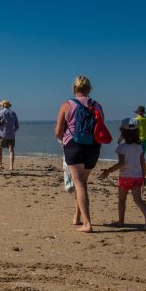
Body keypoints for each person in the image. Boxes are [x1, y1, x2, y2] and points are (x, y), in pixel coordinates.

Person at [55, 76, 103, 233]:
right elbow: (100, 128)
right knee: (82, 183)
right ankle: (77, 216)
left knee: (79, 184)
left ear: (74, 89)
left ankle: (87, 224)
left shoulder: (67, 105)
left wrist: (64, 139)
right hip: (93, 147)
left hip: (74, 146)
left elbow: (58, 132)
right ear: (89, 89)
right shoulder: (97, 106)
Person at [100, 118, 146, 230]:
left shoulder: (122, 147)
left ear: (123, 132)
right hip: (137, 177)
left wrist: (109, 170)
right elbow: (143, 163)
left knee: (122, 200)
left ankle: (121, 221)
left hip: (125, 178)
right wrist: (143, 176)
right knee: (138, 200)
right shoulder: (139, 147)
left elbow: (121, 163)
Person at [0, 100, 19, 171]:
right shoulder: (13, 113)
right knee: (11, 150)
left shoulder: (0, 113)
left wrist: (1, 122)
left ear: (2, 105)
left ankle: (0, 164)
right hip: (11, 135)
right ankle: (11, 166)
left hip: (2, 134)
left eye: (1, 105)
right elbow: (17, 126)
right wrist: (12, 131)